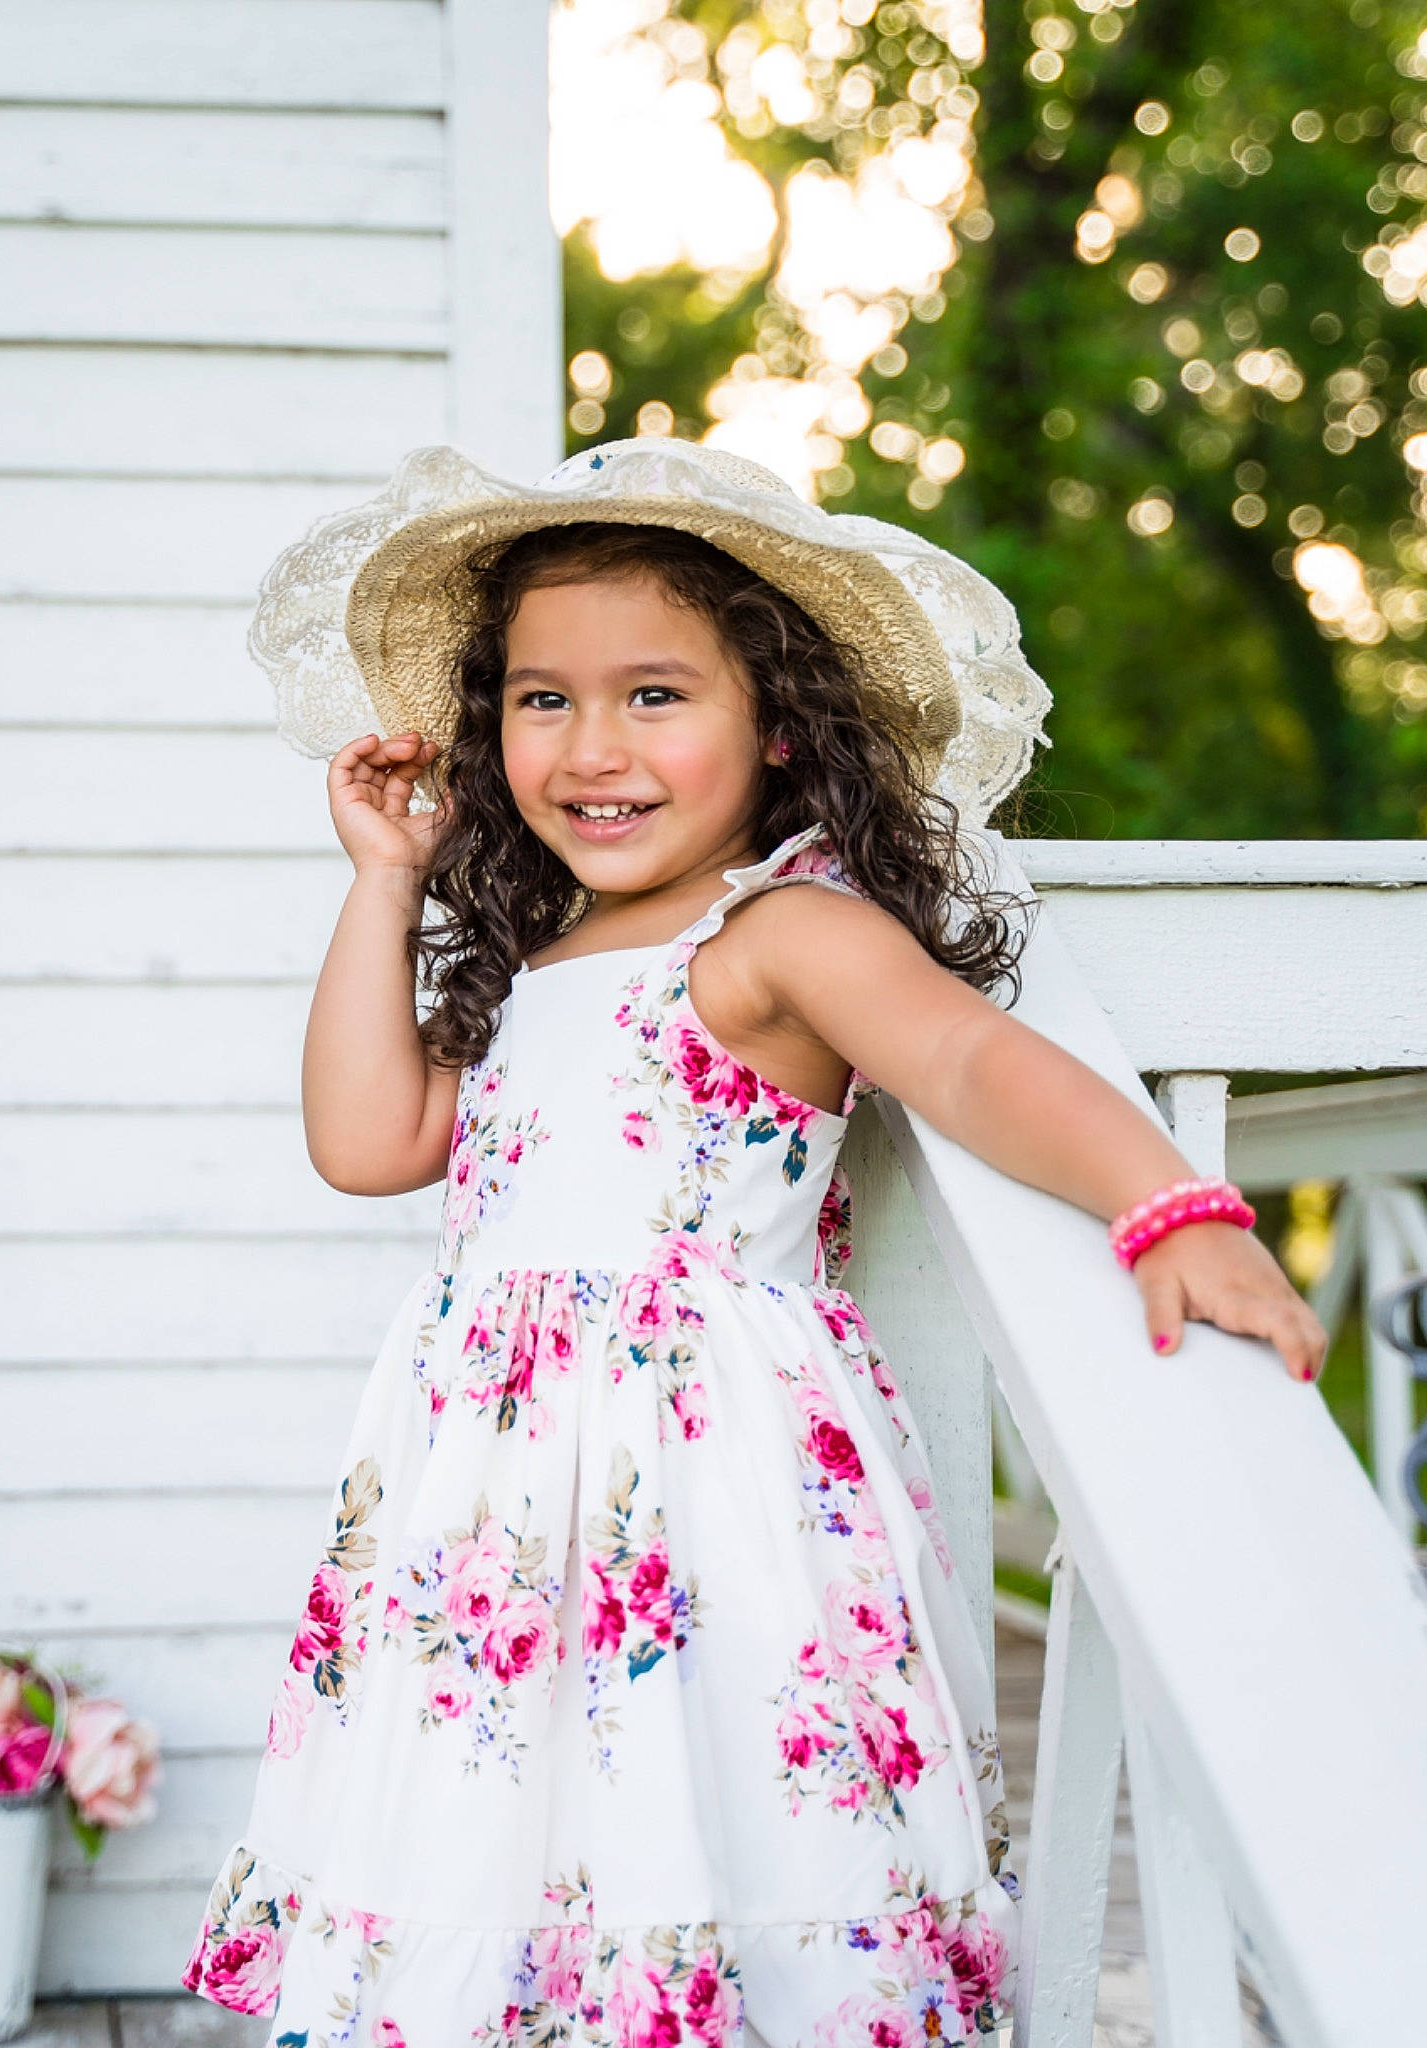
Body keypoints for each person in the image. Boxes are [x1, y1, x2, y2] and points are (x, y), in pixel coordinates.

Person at [181, 438, 1328, 2043]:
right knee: (509, 1849)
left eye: (654, 694)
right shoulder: (537, 958)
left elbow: (971, 1060)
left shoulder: (780, 933)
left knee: (704, 1824)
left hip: (703, 1489)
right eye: (542, 698)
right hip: (496, 1516)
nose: (593, 747)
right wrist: (384, 879)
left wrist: (1167, 1201)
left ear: (777, 719)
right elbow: (366, 1141)